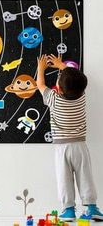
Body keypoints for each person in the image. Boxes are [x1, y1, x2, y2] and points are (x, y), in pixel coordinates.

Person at [36, 54, 103, 221]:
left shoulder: (53, 99)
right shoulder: (81, 97)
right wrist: (62, 65)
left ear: (58, 88)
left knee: (63, 177)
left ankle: (69, 210)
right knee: (85, 175)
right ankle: (91, 207)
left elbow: (40, 84)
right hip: (80, 145)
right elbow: (74, 81)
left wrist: (41, 68)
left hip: (62, 148)